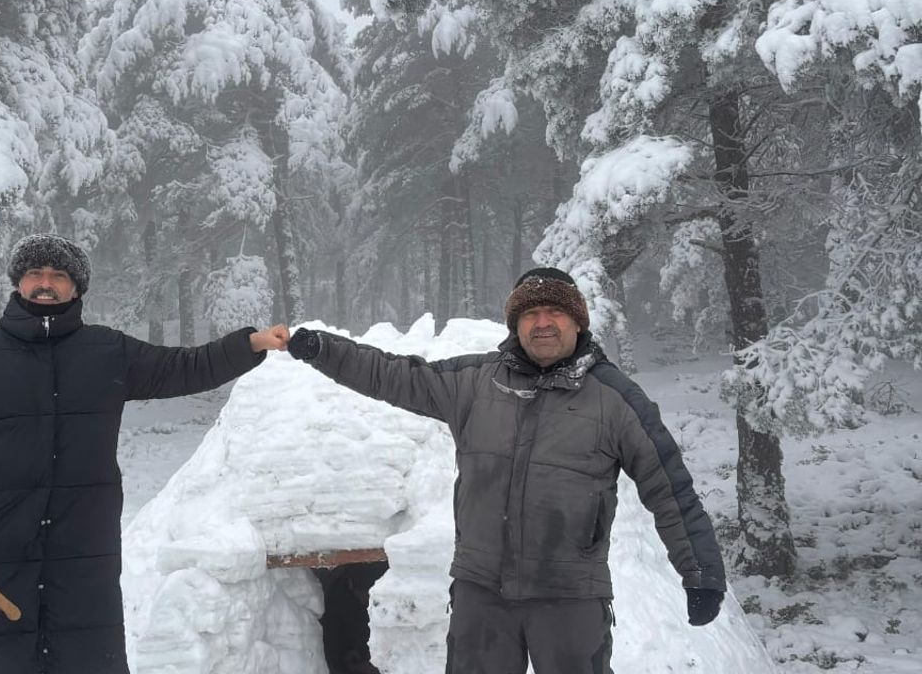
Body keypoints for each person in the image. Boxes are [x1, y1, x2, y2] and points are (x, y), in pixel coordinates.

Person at [285, 267, 726, 674]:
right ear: (516, 325)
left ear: (577, 322)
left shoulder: (615, 399)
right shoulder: (475, 382)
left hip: (569, 595)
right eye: (530, 313)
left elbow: (670, 488)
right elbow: (392, 375)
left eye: (555, 310)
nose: (543, 322)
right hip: (481, 592)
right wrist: (325, 350)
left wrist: (700, 571)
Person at [0, 233, 289, 674]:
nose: (45, 283)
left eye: (58, 275)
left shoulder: (108, 351)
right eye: (35, 273)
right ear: (18, 283)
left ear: (76, 288)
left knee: (89, 655)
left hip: (82, 543)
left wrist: (250, 345)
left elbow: (184, 366)